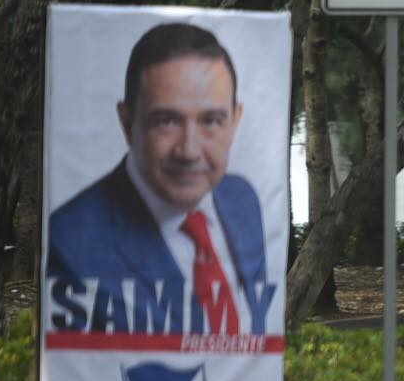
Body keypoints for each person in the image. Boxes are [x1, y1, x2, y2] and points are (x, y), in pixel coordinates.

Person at [47, 22, 273, 335]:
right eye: (166, 121)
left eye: (211, 121)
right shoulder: (71, 239)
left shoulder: (242, 199)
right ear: (127, 123)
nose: (189, 151)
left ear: (235, 121)